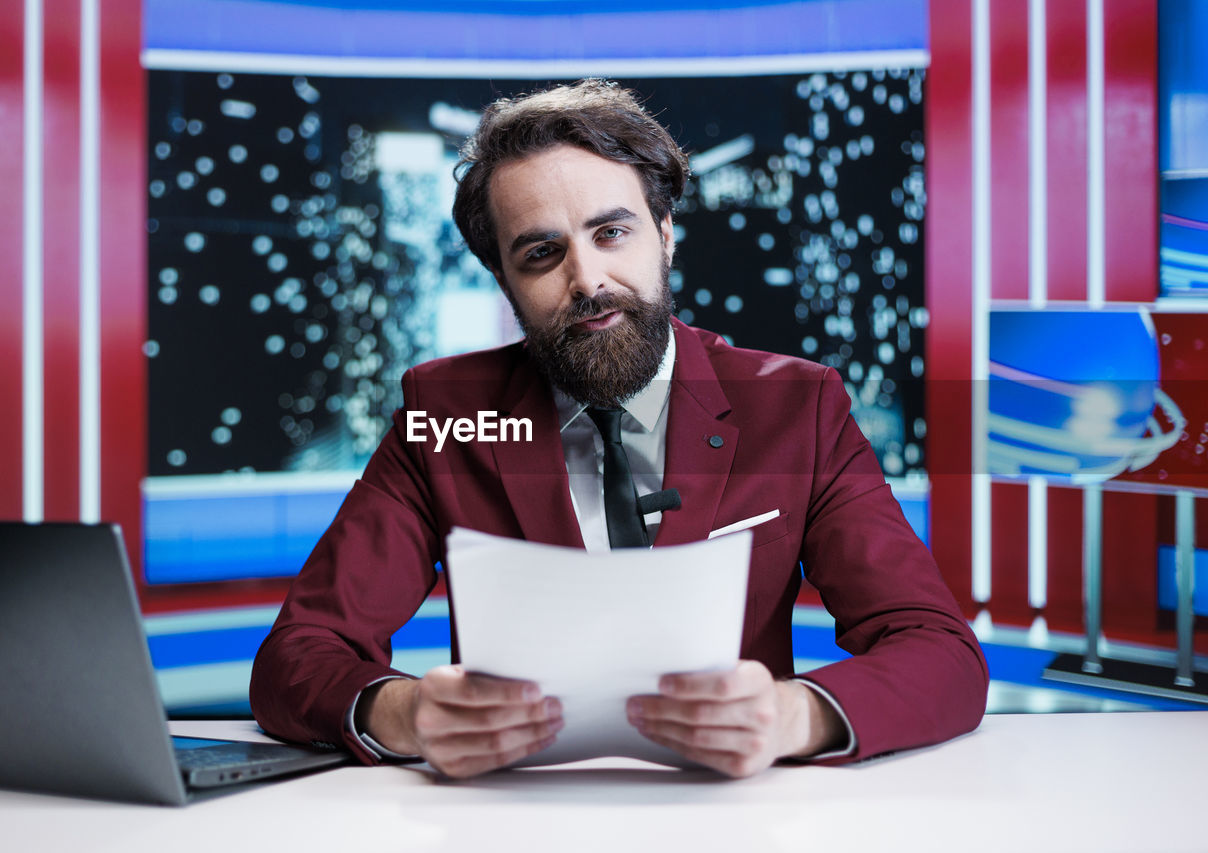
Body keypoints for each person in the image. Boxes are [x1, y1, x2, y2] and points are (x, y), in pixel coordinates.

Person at [250, 79, 988, 779]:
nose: (587, 279)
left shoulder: (799, 408)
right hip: (504, 816)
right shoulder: (446, 414)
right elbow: (298, 654)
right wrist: (402, 710)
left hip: (737, 810)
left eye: (612, 232)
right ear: (505, 282)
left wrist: (795, 715)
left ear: (665, 234)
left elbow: (940, 652)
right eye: (542, 253)